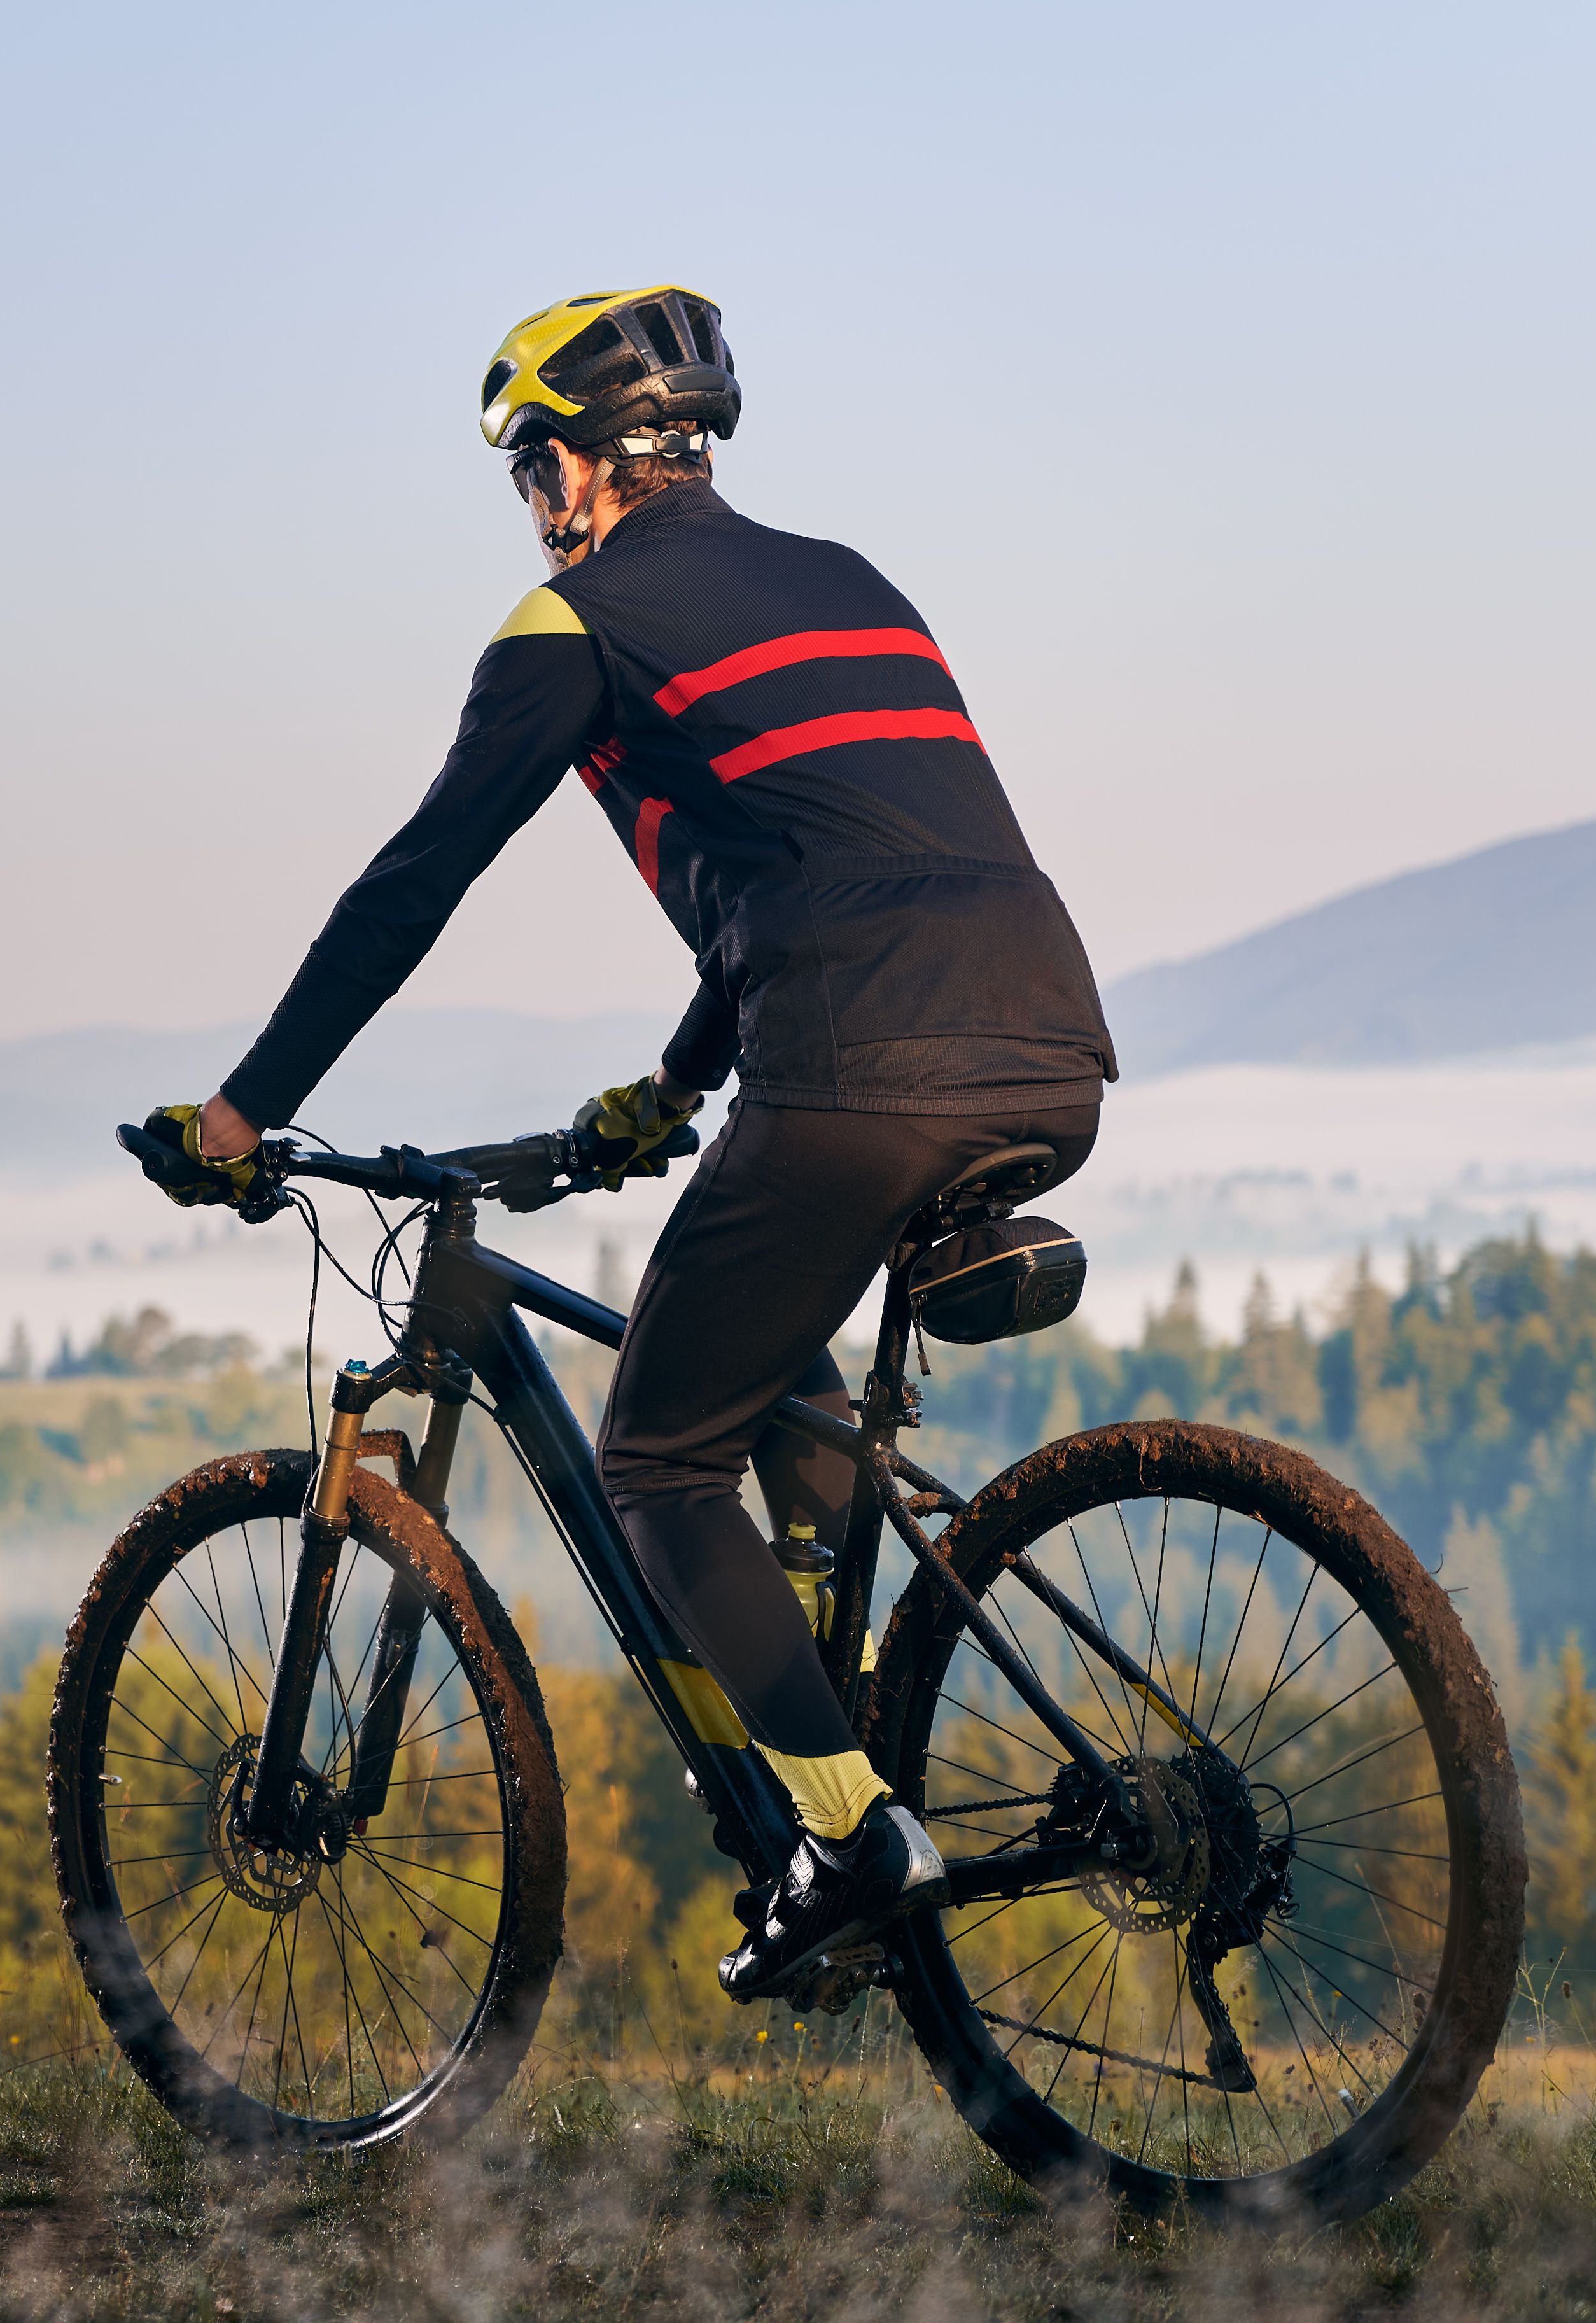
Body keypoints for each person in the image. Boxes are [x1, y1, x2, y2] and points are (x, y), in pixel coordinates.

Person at [137, 286, 1116, 2001]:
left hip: (858, 1066)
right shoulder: (849, 580)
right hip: (1044, 1043)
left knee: (658, 1459)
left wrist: (243, 1114)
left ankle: (848, 1832)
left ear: (575, 467)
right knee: (780, 1365)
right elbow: (818, 872)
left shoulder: (570, 624)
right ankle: (855, 1687)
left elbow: (411, 886)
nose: (534, 505)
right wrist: (668, 1094)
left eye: (532, 468)